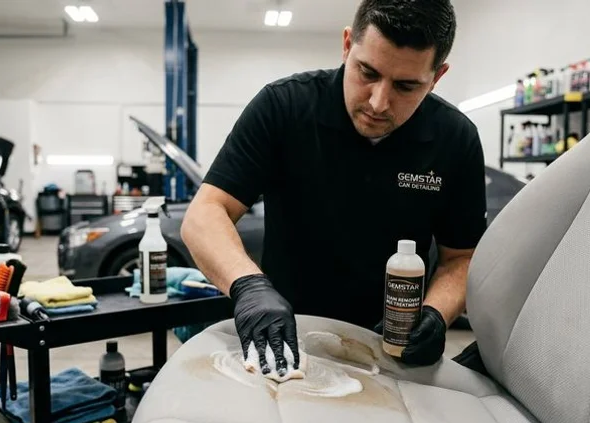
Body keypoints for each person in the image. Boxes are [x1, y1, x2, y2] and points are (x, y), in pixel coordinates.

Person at [181, 0, 487, 375]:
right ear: (347, 45)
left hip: (388, 352)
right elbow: (205, 212)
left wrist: (436, 313)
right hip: (283, 337)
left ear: (437, 76)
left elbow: (461, 257)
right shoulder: (284, 107)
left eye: (406, 86)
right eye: (367, 72)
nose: (378, 102)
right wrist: (248, 286)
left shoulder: (455, 139)